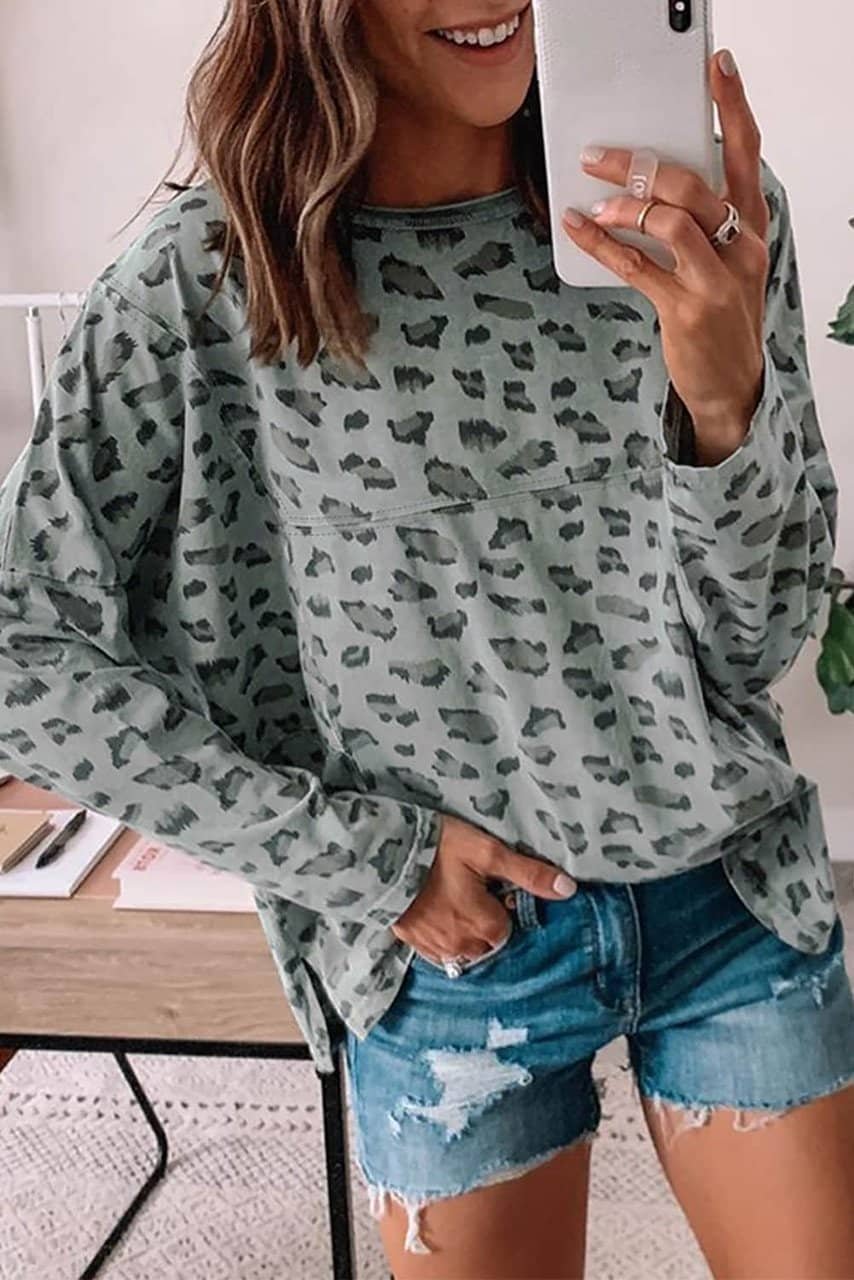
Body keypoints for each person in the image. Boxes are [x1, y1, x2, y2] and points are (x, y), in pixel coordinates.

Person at [0, 2, 852, 1276]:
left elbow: (759, 639)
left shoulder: (701, 220)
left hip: (723, 886)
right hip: (457, 946)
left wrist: (723, 400)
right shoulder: (210, 279)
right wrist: (364, 859)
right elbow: (20, 646)